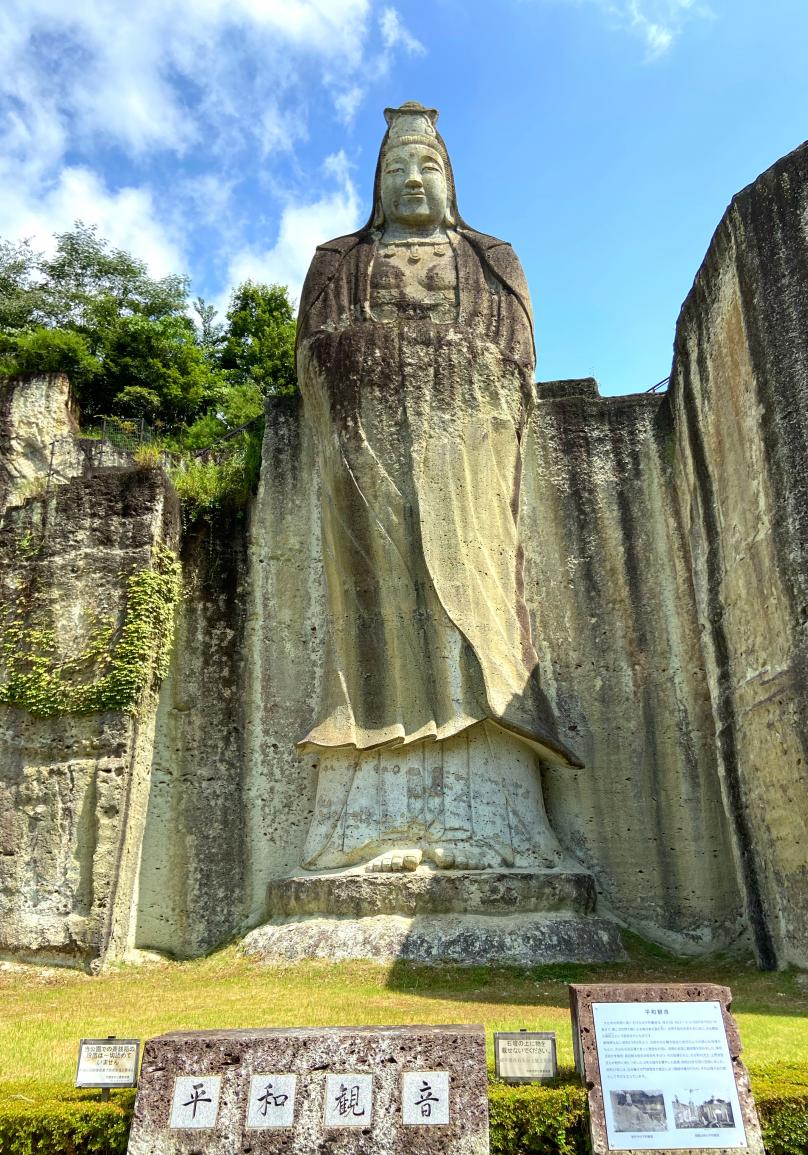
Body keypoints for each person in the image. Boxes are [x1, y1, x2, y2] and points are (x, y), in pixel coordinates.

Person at [295, 102, 582, 872]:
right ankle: (368, 811)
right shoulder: (337, 259)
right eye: (396, 170)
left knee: (477, 601)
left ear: (450, 181)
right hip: (369, 446)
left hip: (467, 448)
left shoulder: (491, 257)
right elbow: (312, 358)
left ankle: (494, 808)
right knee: (376, 607)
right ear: (375, 184)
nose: (412, 181)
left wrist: (444, 362)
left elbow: (518, 358)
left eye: (427, 168)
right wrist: (374, 357)